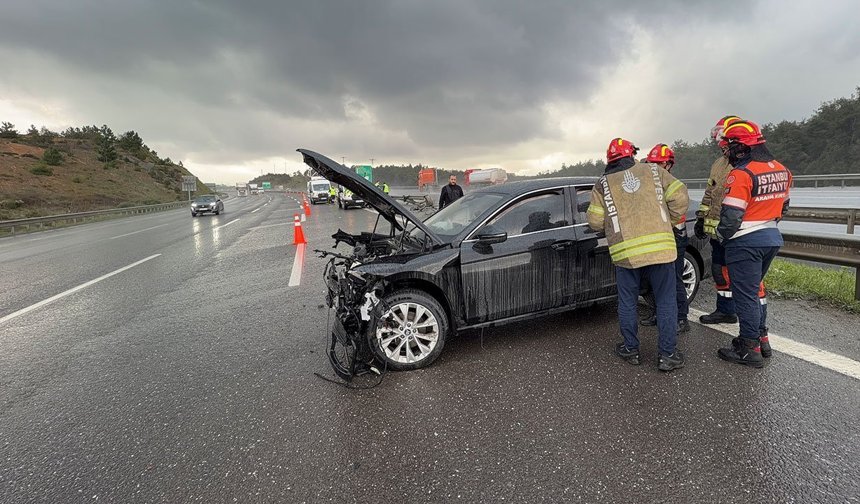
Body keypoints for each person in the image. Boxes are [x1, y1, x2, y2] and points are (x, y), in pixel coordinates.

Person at [587, 138, 689, 371]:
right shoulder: (653, 170)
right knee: (665, 301)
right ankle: (668, 355)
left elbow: (593, 222)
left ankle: (631, 350)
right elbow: (680, 197)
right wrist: (669, 221)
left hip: (626, 254)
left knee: (627, 303)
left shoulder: (602, 184)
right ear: (631, 154)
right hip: (661, 251)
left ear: (609, 159)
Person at [715, 120, 791, 367]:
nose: (726, 153)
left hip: (745, 242)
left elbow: (731, 217)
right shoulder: (782, 169)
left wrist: (722, 236)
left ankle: (749, 349)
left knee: (745, 296)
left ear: (740, 147)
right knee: (756, 291)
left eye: (728, 148)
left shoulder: (741, 174)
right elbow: (785, 207)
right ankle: (762, 339)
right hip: (771, 237)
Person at [641, 144, 690, 333]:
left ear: (668, 165)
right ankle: (657, 313)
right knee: (654, 278)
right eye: (651, 163)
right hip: (656, 237)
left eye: (658, 164)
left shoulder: (673, 184)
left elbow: (677, 212)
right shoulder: (647, 184)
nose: (654, 168)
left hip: (675, 236)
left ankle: (681, 318)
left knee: (674, 278)